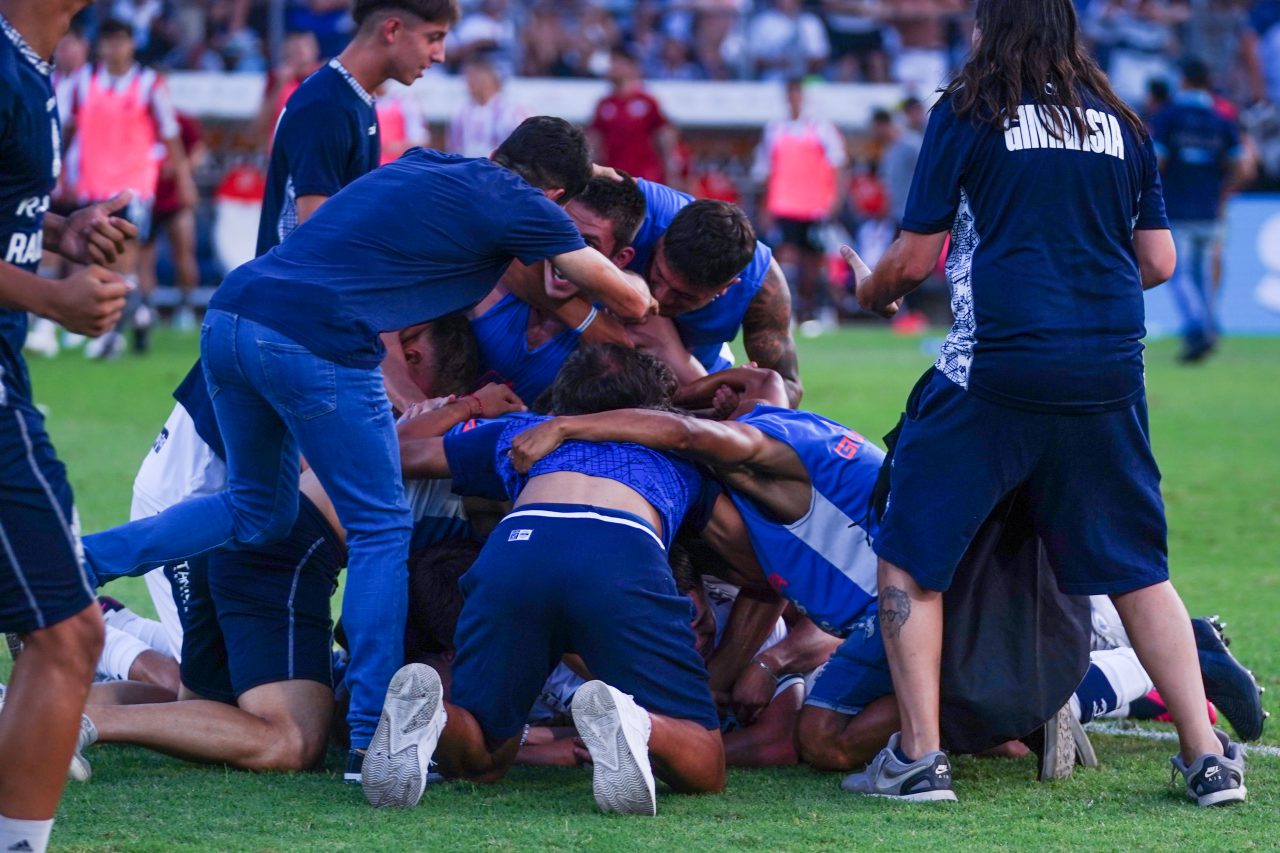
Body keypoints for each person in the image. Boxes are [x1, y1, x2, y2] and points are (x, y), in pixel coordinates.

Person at [80, 116, 652, 787]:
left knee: (254, 507)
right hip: (317, 338)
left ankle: (78, 566)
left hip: (232, 312)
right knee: (381, 526)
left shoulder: (426, 160)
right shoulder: (522, 202)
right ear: (554, 195)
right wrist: (620, 273)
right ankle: (369, 741)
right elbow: (630, 298)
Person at [839, 0, 1246, 805]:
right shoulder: (1122, 123)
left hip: (995, 371)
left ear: (990, 28)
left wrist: (870, 290)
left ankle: (919, 757)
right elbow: (1159, 260)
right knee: (1137, 569)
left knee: (910, 553)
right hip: (1107, 374)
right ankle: (1206, 758)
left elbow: (913, 258)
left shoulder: (968, 109)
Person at [366, 345, 725, 814]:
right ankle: (637, 722)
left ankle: (434, 715)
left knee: (483, 759)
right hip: (622, 548)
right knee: (706, 764)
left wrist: (467, 406)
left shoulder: (525, 433)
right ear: (654, 408)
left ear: (563, 400)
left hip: (517, 547)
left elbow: (394, 454)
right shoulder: (682, 444)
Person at [0, 0, 138, 848]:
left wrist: (60, 229)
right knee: (65, 632)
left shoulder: (29, 63)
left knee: (60, 631)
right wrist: (54, 297)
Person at [63, 17, 196, 356]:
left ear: (132, 44)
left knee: (125, 258)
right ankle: (138, 315)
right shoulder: (82, 82)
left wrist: (183, 179)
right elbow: (68, 131)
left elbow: (171, 134)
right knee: (97, 260)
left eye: (120, 41)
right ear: (100, 45)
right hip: (91, 186)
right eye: (108, 41)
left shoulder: (148, 83)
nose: (114, 48)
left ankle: (111, 335)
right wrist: (61, 172)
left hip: (133, 188)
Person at [623, 178, 803, 405]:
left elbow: (788, 386)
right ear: (660, 240)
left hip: (701, 391)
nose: (660, 297)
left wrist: (748, 397)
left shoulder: (762, 288)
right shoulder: (641, 207)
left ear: (726, 287)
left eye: (683, 296)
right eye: (657, 275)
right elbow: (585, 172)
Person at [469, 174, 645, 403]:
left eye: (588, 244)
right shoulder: (495, 272)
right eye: (563, 230)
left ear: (619, 259)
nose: (566, 252)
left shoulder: (626, 328)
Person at [1151, 58, 1245, 363]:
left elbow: (1156, 163)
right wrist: (1222, 189)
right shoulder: (1222, 119)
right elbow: (1239, 165)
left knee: (1180, 275)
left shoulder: (1168, 116)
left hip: (1177, 208)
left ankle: (1196, 329)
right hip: (1211, 209)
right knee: (1203, 275)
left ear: (1184, 80)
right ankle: (1208, 326)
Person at [752, 78, 847, 331]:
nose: (794, 98)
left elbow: (838, 164)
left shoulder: (821, 128)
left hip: (815, 206)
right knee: (786, 257)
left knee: (815, 260)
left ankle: (819, 310)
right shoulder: (775, 129)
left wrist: (835, 200)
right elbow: (766, 169)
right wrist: (765, 207)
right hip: (784, 205)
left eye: (798, 94)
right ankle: (788, 311)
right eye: (791, 93)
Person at [587, 48, 679, 185]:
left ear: (630, 67)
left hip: (645, 176)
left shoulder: (647, 101)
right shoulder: (604, 104)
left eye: (617, 62)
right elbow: (595, 139)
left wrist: (671, 171)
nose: (612, 68)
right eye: (612, 63)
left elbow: (664, 136)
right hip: (614, 177)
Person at [447, 58, 527, 159]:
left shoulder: (514, 110)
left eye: (475, 76)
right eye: (468, 77)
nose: (470, 82)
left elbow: (526, 145)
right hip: (469, 166)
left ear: (491, 79)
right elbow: (454, 149)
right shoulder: (461, 112)